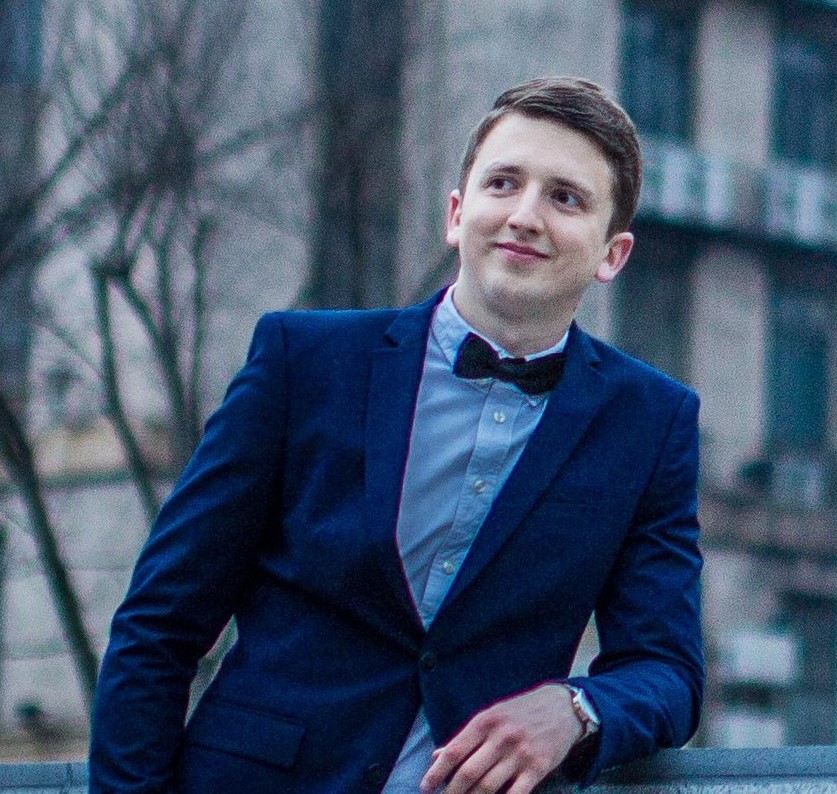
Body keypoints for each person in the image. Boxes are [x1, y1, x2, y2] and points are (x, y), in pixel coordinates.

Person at [89, 76, 703, 794]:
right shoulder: (301, 361)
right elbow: (159, 625)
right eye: (503, 183)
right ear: (456, 214)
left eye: (565, 198)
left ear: (611, 255)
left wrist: (575, 709)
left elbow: (668, 670)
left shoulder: (651, 421)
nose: (524, 216)